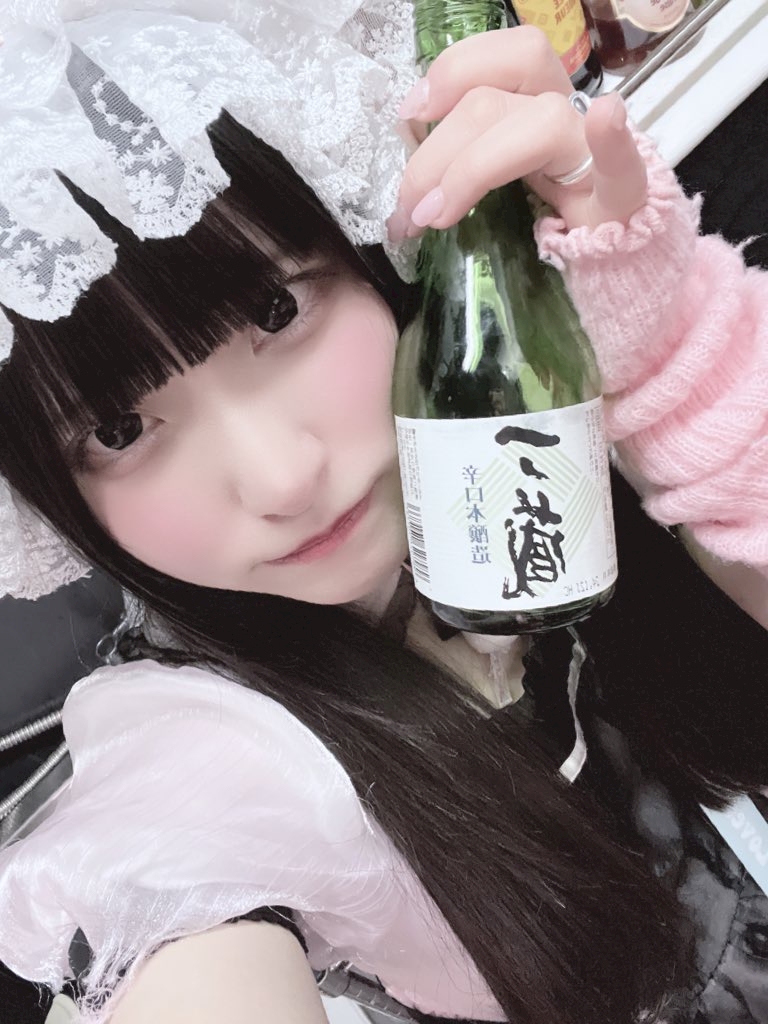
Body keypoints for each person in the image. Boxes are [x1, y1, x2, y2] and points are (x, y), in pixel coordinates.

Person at [0, 3, 765, 1024]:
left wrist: (672, 363)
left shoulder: (533, 414)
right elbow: (167, 890)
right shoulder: (206, 750)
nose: (281, 479)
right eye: (118, 428)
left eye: (276, 310)